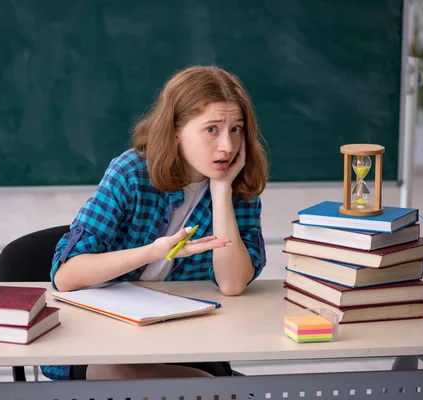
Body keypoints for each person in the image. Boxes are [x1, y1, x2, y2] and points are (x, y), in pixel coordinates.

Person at [41, 65, 269, 381]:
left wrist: (220, 190)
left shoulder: (237, 185)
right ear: (176, 131)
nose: (227, 147)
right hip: (97, 341)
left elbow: (232, 285)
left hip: (182, 341)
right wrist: (154, 252)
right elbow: (66, 277)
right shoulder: (131, 173)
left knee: (211, 383)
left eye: (236, 129)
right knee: (202, 386)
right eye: (211, 129)